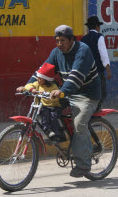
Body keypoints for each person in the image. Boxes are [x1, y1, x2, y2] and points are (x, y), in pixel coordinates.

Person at [18, 25, 101, 178]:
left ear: (71, 39)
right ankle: (56, 134)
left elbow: (76, 78)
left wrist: (62, 91)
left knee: (79, 124)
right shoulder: (56, 52)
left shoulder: (83, 51)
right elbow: (42, 72)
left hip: (86, 95)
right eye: (57, 41)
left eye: (62, 40)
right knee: (46, 107)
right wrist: (27, 86)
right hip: (67, 93)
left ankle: (83, 165)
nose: (59, 44)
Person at [17, 62, 65, 142]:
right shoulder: (37, 84)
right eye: (38, 78)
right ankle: (48, 131)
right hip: (43, 107)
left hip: (54, 107)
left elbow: (57, 98)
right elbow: (29, 85)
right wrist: (30, 89)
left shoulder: (53, 86)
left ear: (46, 79)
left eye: (40, 78)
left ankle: (57, 135)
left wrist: (52, 95)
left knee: (53, 118)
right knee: (44, 116)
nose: (38, 80)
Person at [81, 16, 112, 111]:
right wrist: (108, 70)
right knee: (101, 93)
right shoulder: (99, 37)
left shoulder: (83, 39)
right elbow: (103, 54)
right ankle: (96, 113)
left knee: (89, 94)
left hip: (86, 72)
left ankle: (89, 113)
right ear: (97, 26)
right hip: (97, 71)